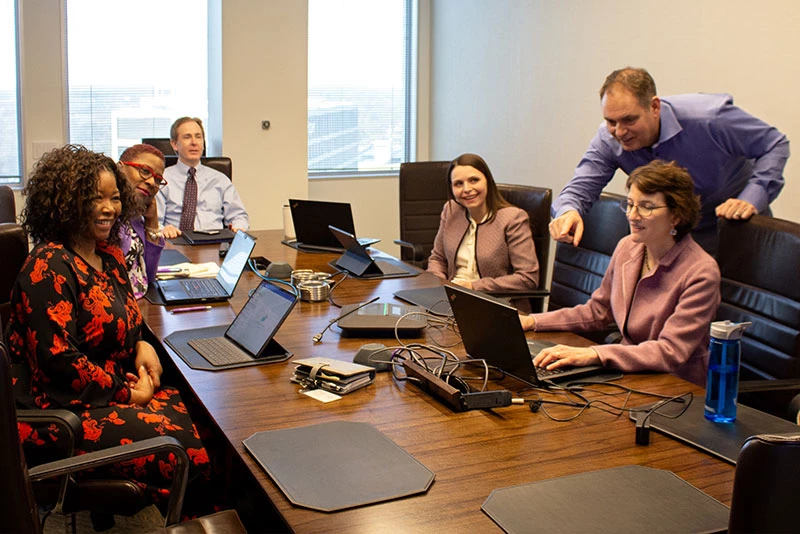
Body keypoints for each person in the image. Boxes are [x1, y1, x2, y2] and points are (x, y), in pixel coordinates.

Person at [5, 145, 220, 517]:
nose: (108, 209)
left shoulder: (108, 254)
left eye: (114, 198)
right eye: (95, 198)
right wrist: (128, 393)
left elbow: (129, 316)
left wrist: (141, 345)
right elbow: (59, 364)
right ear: (66, 202)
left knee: (214, 428)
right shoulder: (47, 266)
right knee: (190, 450)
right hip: (59, 411)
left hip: (110, 390)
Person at [550, 67, 790, 256]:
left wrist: (749, 199)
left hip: (732, 231)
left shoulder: (709, 119)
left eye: (629, 120)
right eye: (611, 121)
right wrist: (568, 211)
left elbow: (774, 144)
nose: (619, 132)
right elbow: (580, 187)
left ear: (654, 107)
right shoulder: (608, 137)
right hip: (671, 240)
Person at [522, 160, 721, 386]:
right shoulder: (628, 247)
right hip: (627, 372)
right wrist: (531, 321)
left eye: (646, 206)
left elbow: (670, 351)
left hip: (676, 387)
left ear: (676, 215)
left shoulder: (700, 271)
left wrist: (595, 354)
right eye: (630, 204)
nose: (632, 215)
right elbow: (598, 311)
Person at [427, 153, 540, 313]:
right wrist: (439, 284)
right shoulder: (451, 210)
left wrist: (474, 286)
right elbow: (438, 258)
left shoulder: (513, 218)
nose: (467, 189)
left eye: (474, 180)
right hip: (451, 300)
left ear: (487, 180)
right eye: (458, 183)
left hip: (496, 305)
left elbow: (528, 278)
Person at [157, 117, 249, 239]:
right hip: (176, 242)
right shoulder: (162, 180)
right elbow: (152, 223)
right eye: (187, 137)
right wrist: (163, 229)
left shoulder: (220, 179)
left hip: (214, 243)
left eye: (198, 137)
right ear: (174, 144)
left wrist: (238, 227)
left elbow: (239, 216)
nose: (194, 142)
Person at [118, 143, 167, 298]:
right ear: (120, 168)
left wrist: (152, 221)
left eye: (158, 179)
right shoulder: (105, 216)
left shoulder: (134, 217)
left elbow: (148, 277)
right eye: (145, 171)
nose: (152, 182)